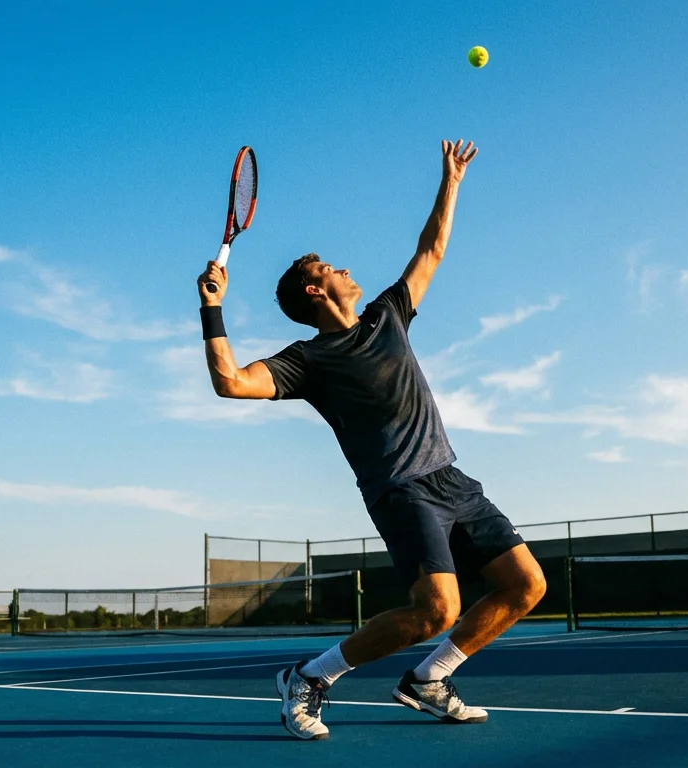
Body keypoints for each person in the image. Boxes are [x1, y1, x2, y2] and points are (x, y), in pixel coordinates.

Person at [196, 139, 546, 741]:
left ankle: (430, 679)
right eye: (330, 268)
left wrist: (452, 181)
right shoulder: (306, 361)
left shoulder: (389, 314)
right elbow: (230, 382)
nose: (344, 269)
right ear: (314, 291)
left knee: (527, 585)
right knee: (437, 610)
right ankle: (308, 677)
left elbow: (431, 247)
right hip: (401, 491)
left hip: (452, 479)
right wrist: (213, 309)